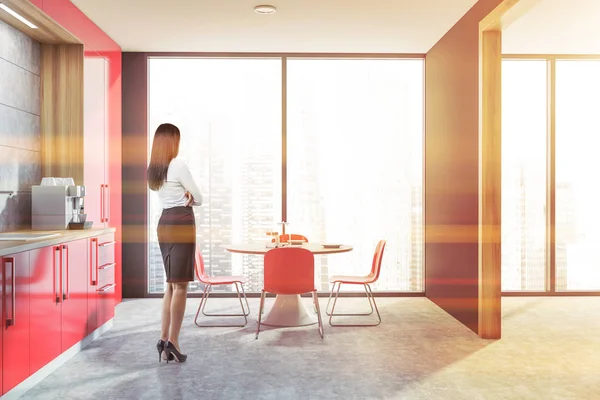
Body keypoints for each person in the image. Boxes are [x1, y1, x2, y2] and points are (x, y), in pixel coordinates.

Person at [147, 123, 202, 363]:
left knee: (170, 285)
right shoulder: (177, 165)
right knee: (181, 287)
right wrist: (189, 196)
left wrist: (185, 195)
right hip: (181, 222)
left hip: (165, 222)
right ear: (173, 142)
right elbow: (199, 198)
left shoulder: (154, 170)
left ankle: (164, 340)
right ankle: (174, 342)